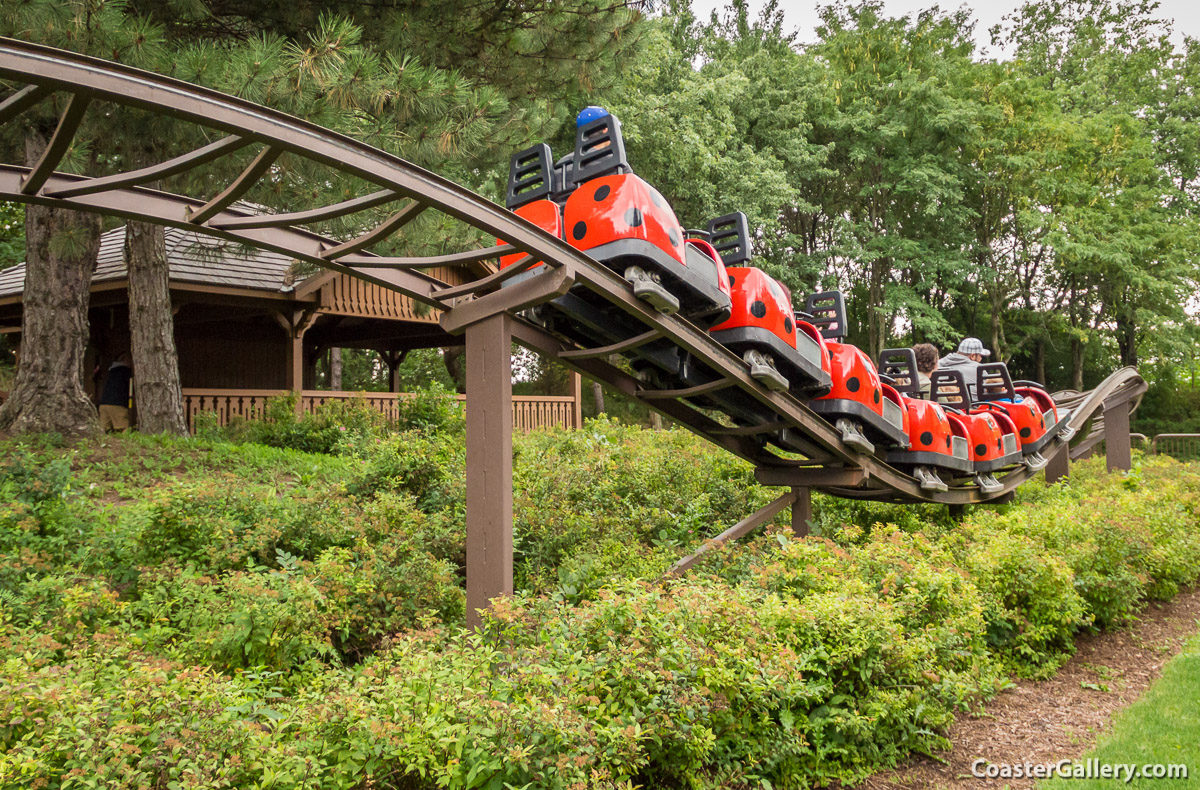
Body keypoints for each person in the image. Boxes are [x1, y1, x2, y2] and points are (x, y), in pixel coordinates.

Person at [99, 352, 133, 432]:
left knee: (103, 428)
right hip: (117, 403)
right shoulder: (125, 371)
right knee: (124, 427)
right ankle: (127, 443)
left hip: (103, 403)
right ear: (125, 360)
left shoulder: (111, 371)